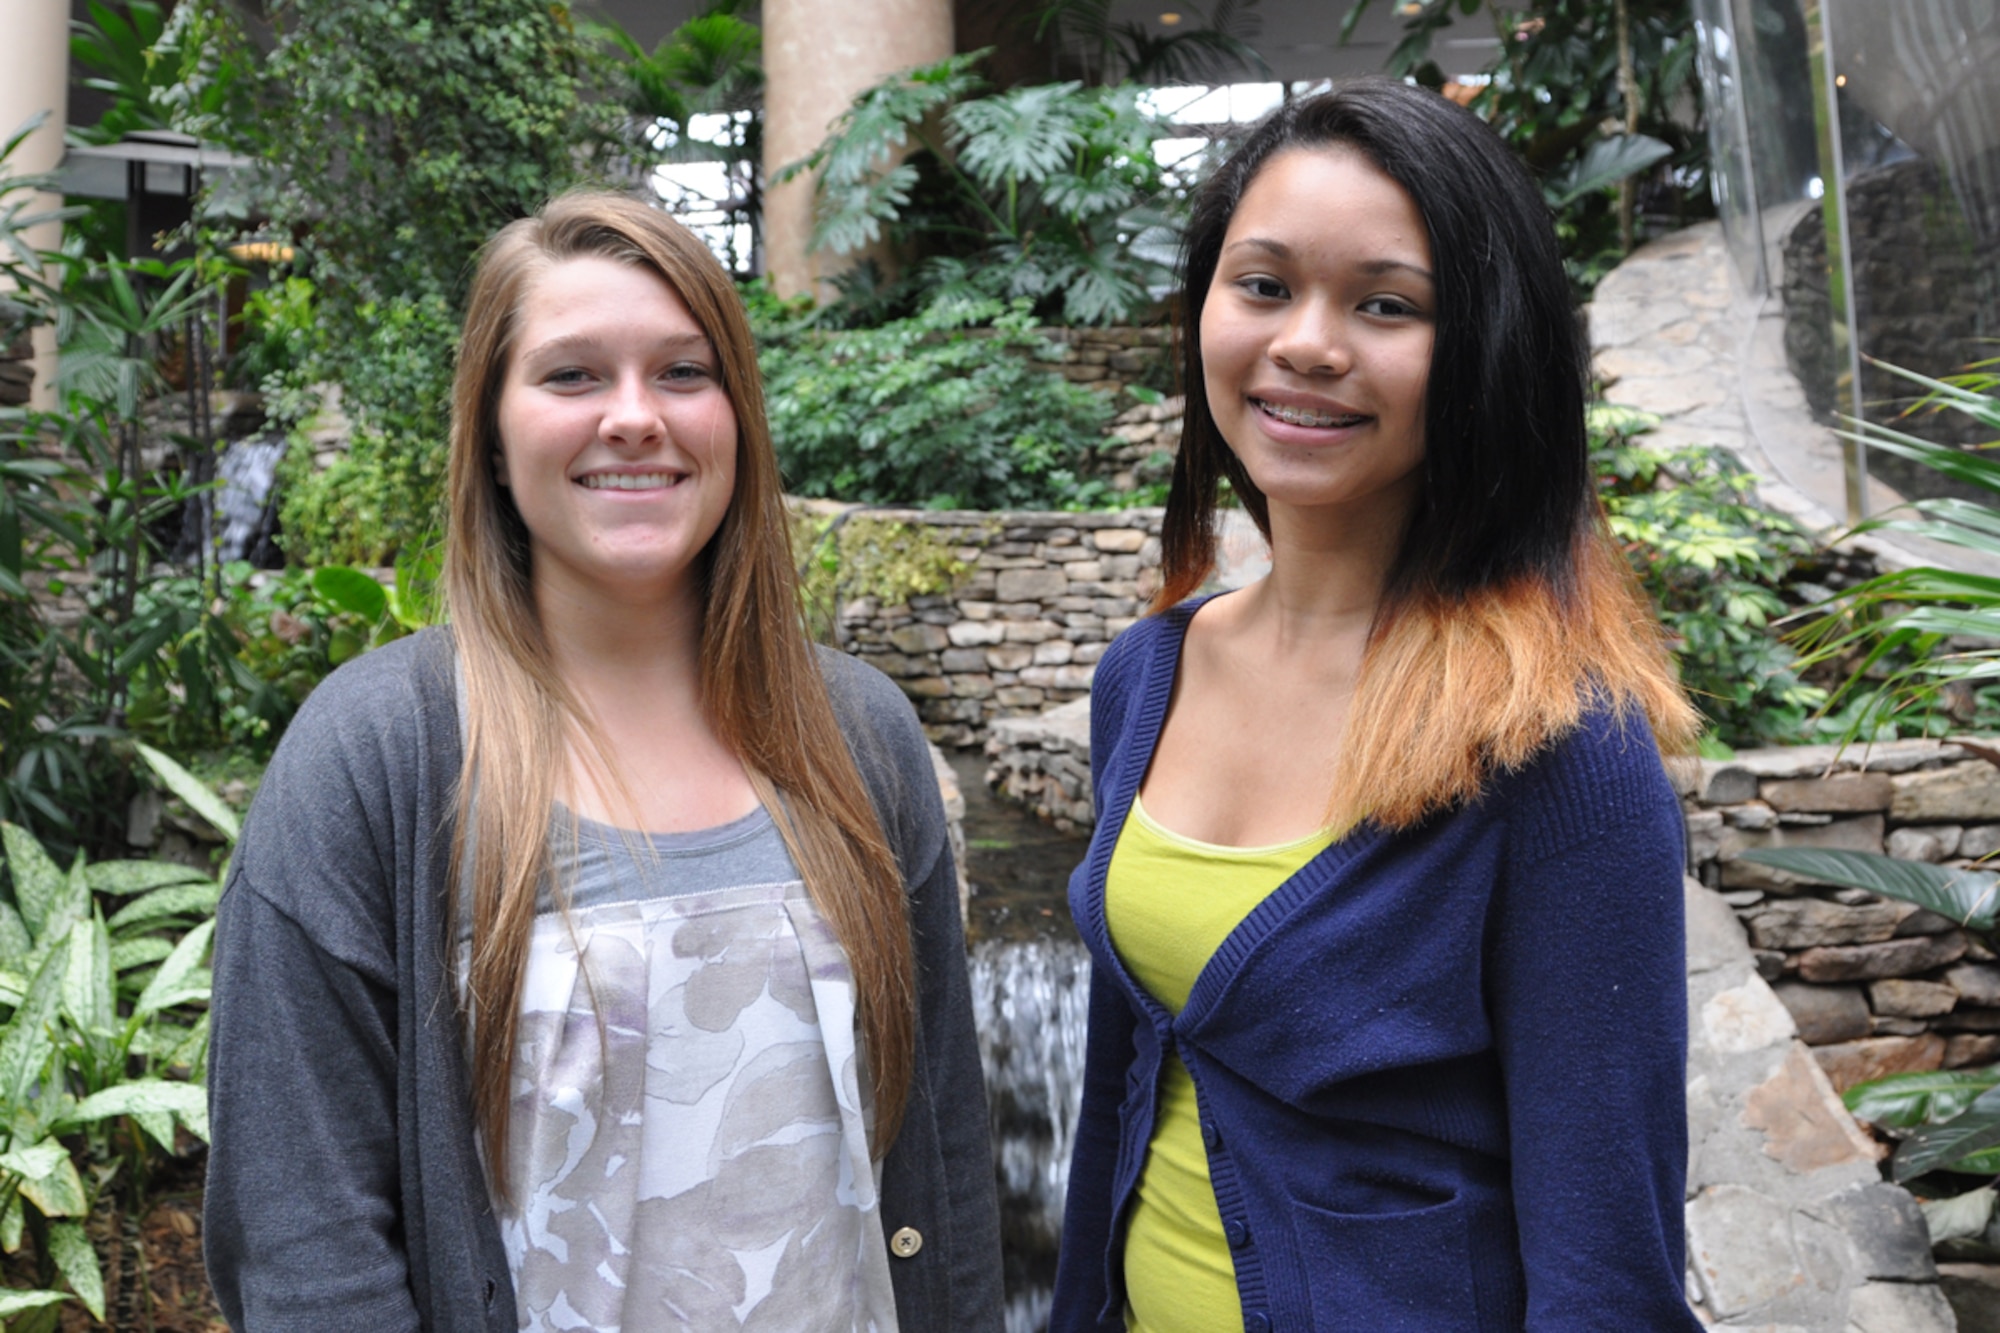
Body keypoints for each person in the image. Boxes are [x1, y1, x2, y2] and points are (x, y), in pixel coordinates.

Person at [204, 192, 1003, 1332]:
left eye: (683, 372)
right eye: (571, 376)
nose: (634, 417)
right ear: (487, 427)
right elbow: (303, 1235)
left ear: (737, 414)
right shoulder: (376, 759)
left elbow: (946, 1159)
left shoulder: (861, 739)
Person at [1050, 80, 1704, 1333]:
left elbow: (1607, 1278)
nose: (1306, 342)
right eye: (1262, 285)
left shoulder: (1553, 743)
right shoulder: (1143, 676)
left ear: (1483, 352)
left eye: (1385, 305)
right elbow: (1123, 1085)